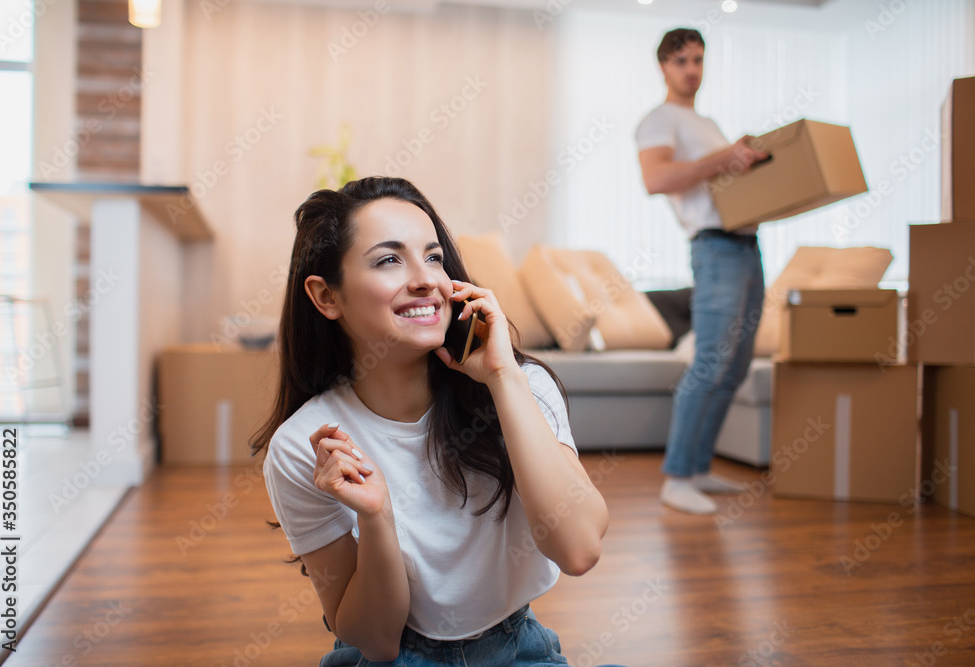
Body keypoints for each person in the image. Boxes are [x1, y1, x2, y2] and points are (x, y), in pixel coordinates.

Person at [253, 177, 621, 666]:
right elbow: (376, 641)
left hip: (518, 650)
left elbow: (578, 550)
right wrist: (376, 517)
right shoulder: (304, 445)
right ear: (327, 297)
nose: (426, 279)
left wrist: (502, 377)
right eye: (388, 260)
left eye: (433, 257)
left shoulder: (521, 386)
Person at [635, 28, 769, 516]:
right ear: (664, 67)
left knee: (734, 367)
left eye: (697, 59)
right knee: (711, 362)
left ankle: (697, 468)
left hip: (748, 245)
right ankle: (676, 479)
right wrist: (723, 157)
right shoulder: (659, 120)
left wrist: (740, 157)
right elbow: (657, 178)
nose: (691, 68)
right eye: (681, 61)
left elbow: (721, 175)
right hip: (714, 250)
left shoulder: (706, 121)